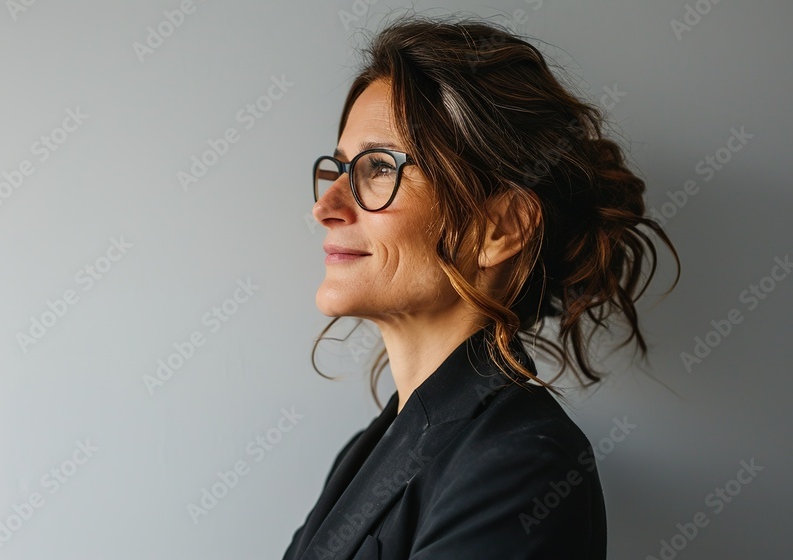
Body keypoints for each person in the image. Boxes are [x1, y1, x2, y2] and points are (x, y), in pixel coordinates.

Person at [282, 13, 680, 560]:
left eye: (377, 168)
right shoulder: (367, 450)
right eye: (341, 169)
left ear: (500, 228)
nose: (325, 207)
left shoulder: (523, 462)